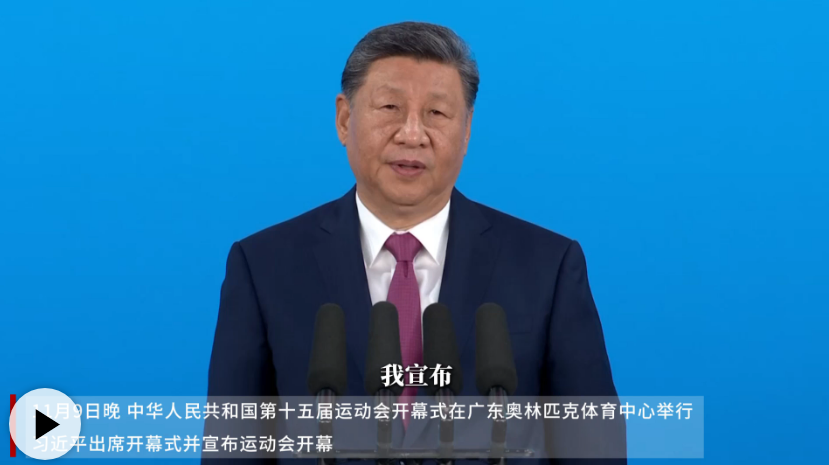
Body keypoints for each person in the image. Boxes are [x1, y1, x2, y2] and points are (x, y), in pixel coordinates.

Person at [207, 21, 625, 463]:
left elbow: (595, 448)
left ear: (467, 130)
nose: (412, 134)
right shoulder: (264, 266)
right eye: (390, 107)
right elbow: (232, 447)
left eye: (437, 113)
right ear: (345, 119)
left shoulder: (547, 266)